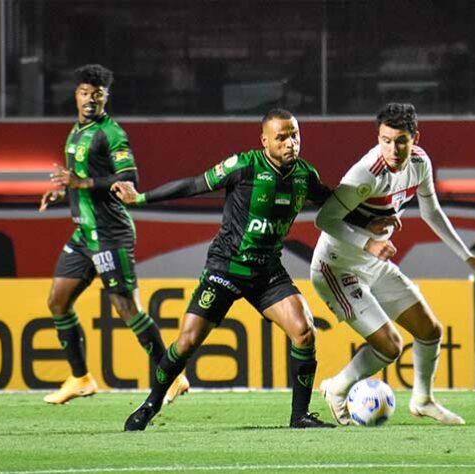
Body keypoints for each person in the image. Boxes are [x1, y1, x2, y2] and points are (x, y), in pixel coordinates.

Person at [111, 108, 336, 430]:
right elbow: (192, 185)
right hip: (225, 269)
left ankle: (300, 416)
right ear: (264, 141)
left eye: (295, 136)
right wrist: (141, 198)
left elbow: (331, 200)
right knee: (187, 342)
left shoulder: (304, 175)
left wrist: (372, 218)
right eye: (282, 138)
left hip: (267, 272)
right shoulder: (243, 166)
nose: (290, 144)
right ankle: (151, 404)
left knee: (304, 331)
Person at [311, 103, 475, 426]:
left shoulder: (420, 164)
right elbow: (325, 218)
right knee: (391, 345)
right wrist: (369, 241)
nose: (392, 149)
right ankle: (336, 389)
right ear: (378, 138)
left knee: (430, 330)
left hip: (372, 263)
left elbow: (431, 212)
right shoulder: (366, 172)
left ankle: (423, 400)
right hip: (337, 267)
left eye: (400, 141)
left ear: (415, 139)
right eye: (385, 140)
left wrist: (467, 255)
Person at [38, 64, 189, 405]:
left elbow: (128, 179)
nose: (90, 99)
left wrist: (80, 183)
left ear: (106, 97)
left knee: (127, 309)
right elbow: (80, 178)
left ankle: (174, 374)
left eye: (97, 93)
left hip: (110, 232)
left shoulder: (112, 134)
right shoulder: (76, 131)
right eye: (84, 92)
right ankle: (81, 378)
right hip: (84, 234)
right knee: (57, 301)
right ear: (75, 95)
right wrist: (63, 193)